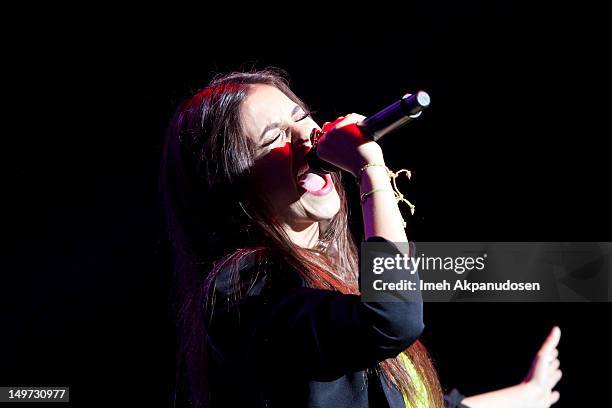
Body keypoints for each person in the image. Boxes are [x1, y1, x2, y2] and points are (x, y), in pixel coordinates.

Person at [160, 69, 562, 408]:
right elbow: (394, 319)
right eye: (273, 138)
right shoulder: (243, 289)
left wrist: (529, 393)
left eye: (303, 118)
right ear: (231, 185)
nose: (311, 137)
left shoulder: (327, 278)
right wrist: (370, 169)